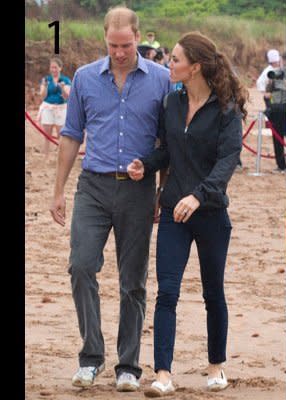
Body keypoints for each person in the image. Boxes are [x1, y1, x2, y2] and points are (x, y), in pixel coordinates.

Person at [48, 6, 171, 392]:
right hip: (93, 187)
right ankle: (91, 357)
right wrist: (58, 190)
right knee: (81, 266)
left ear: (139, 37)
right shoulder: (85, 77)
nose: (119, 52)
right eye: (113, 45)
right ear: (105, 38)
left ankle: (129, 366)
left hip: (138, 191)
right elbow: (71, 135)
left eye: (127, 45)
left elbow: (168, 144)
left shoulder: (162, 80)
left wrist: (162, 191)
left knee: (132, 281)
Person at [126, 31, 246, 396]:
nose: (169, 64)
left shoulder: (226, 110)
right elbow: (167, 152)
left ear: (195, 67)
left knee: (213, 294)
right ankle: (162, 374)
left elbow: (228, 162)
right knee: (167, 293)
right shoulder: (171, 103)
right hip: (173, 213)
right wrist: (144, 165)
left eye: (175, 59)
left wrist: (199, 196)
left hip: (210, 213)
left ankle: (216, 368)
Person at [37, 57, 71, 157]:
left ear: (60, 68)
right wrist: (45, 86)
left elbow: (67, 96)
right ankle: (46, 155)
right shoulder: (46, 79)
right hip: (48, 108)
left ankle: (60, 156)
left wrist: (63, 88)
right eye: (52, 67)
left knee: (61, 135)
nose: (53, 70)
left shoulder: (66, 80)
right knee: (47, 135)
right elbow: (42, 96)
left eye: (55, 67)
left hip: (61, 108)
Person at [264, 51, 286, 173]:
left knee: (279, 138)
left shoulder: (278, 75)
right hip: (281, 111)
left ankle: (282, 166)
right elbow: (267, 93)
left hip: (280, 111)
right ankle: (282, 165)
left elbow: (267, 94)